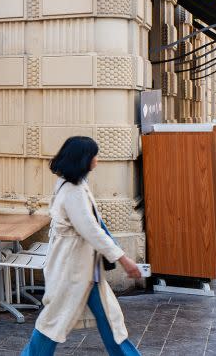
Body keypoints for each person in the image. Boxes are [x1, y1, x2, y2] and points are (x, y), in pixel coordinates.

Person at [22, 136, 143, 356]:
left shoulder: (73, 185)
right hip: (72, 271)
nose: (97, 159)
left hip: (85, 271)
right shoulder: (73, 192)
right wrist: (123, 259)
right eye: (94, 155)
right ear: (84, 159)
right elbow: (92, 231)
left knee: (109, 321)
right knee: (53, 324)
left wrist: (116, 251)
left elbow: (95, 225)